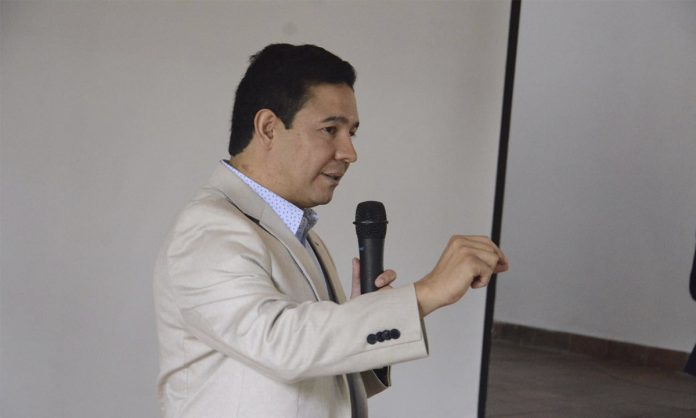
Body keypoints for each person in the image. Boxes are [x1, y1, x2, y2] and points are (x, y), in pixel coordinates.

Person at [153, 43, 509, 418]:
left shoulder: (300, 233)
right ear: (269, 128)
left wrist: (369, 314)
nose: (349, 152)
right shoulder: (208, 229)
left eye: (351, 132)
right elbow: (282, 345)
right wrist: (426, 293)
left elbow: (317, 382)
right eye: (330, 130)